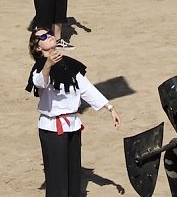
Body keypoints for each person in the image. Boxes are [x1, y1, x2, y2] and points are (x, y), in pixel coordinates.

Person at [25, 27, 120, 196]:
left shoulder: (69, 64)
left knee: (73, 176)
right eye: (44, 36)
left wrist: (109, 108)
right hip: (52, 129)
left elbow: (86, 89)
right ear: (38, 47)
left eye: (50, 34)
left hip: (73, 126)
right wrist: (48, 65)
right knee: (57, 180)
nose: (50, 37)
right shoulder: (39, 67)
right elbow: (40, 83)